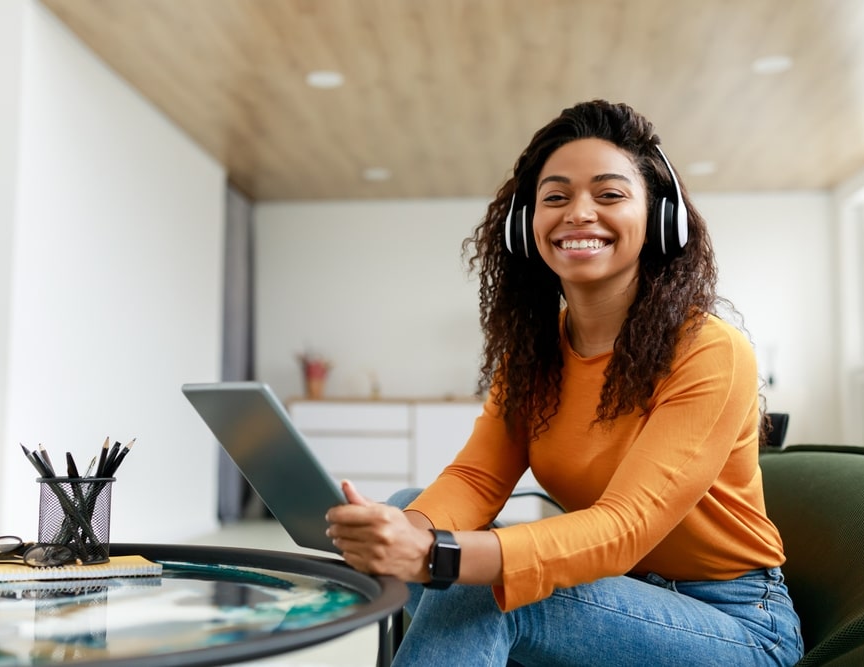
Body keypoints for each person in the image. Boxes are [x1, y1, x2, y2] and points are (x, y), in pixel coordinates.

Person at [325, 100, 803, 666]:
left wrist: (438, 555)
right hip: (616, 592)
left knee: (491, 585)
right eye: (555, 197)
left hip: (735, 623)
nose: (578, 213)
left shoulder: (710, 349)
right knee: (412, 506)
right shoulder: (537, 350)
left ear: (659, 219)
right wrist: (401, 533)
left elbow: (625, 528)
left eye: (609, 194)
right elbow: (478, 477)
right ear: (526, 227)